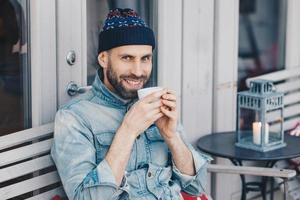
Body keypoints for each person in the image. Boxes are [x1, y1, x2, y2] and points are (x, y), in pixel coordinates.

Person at [51, 8, 211, 200]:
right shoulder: (74, 117)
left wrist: (171, 136)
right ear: (104, 59)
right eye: (127, 58)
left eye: (145, 59)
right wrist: (128, 130)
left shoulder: (154, 104)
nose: (138, 71)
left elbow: (196, 187)